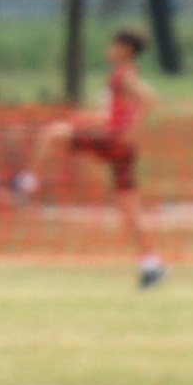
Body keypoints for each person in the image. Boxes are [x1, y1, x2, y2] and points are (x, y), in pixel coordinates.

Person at [50, 26, 159, 285]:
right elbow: (119, 113)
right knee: (129, 207)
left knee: (54, 135)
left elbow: (149, 99)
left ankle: (25, 183)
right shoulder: (126, 74)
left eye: (114, 46)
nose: (109, 50)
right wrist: (92, 120)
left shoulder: (123, 75)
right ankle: (150, 263)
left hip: (116, 143)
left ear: (126, 50)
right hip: (121, 145)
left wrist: (134, 130)